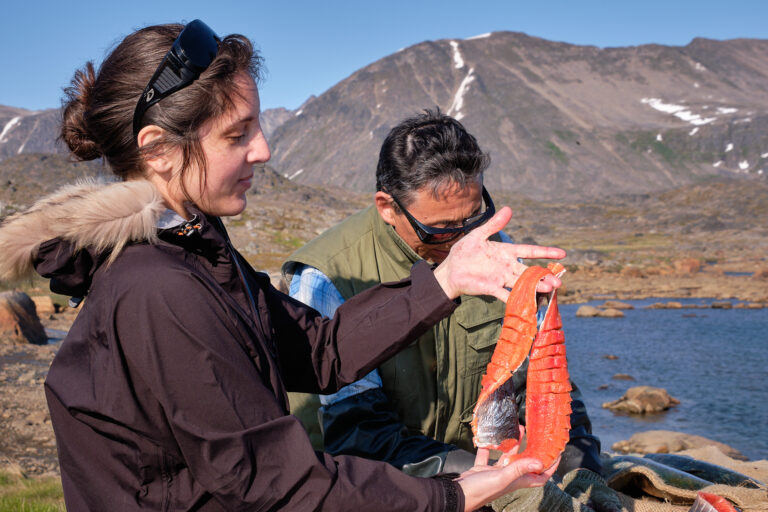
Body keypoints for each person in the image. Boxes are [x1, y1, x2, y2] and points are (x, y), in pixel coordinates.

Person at [0, 20, 565, 511]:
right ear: (157, 150)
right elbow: (271, 483)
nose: (264, 150)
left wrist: (447, 278)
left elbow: (322, 352)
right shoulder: (157, 286)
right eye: (237, 133)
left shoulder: (196, 252)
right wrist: (453, 494)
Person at [282, 110, 613, 510]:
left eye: (474, 217)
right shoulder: (328, 277)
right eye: (440, 230)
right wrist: (485, 481)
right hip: (368, 493)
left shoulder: (495, 252)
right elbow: (359, 434)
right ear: (387, 206)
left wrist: (576, 458)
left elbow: (544, 383)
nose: (463, 241)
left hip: (472, 478)